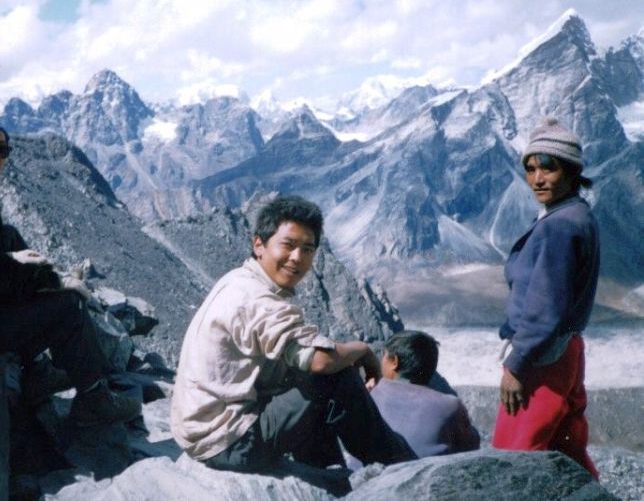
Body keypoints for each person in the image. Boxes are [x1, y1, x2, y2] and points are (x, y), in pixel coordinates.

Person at [0, 106, 141, 426]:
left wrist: (34, 273)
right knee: (67, 307)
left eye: (2, 150)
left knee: (10, 237)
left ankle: (37, 371)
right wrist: (45, 279)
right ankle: (94, 398)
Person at [171, 195, 415, 483]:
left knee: (305, 379)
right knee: (337, 377)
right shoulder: (255, 298)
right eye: (288, 245)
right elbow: (320, 361)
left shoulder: (239, 280)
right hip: (228, 441)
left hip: (205, 430)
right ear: (258, 244)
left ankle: (330, 473)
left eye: (308, 249)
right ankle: (403, 470)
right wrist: (363, 351)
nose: (298, 258)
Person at [492, 117, 599, 478]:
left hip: (542, 358)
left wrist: (518, 363)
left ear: (571, 171)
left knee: (516, 458)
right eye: (531, 168)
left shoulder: (559, 226)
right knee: (568, 452)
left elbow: (545, 305)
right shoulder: (578, 214)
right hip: (566, 350)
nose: (538, 178)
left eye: (548, 168)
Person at [368, 330, 480, 459]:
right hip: (423, 476)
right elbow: (471, 445)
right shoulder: (449, 405)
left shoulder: (372, 394)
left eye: (384, 355)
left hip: (363, 476)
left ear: (394, 362)